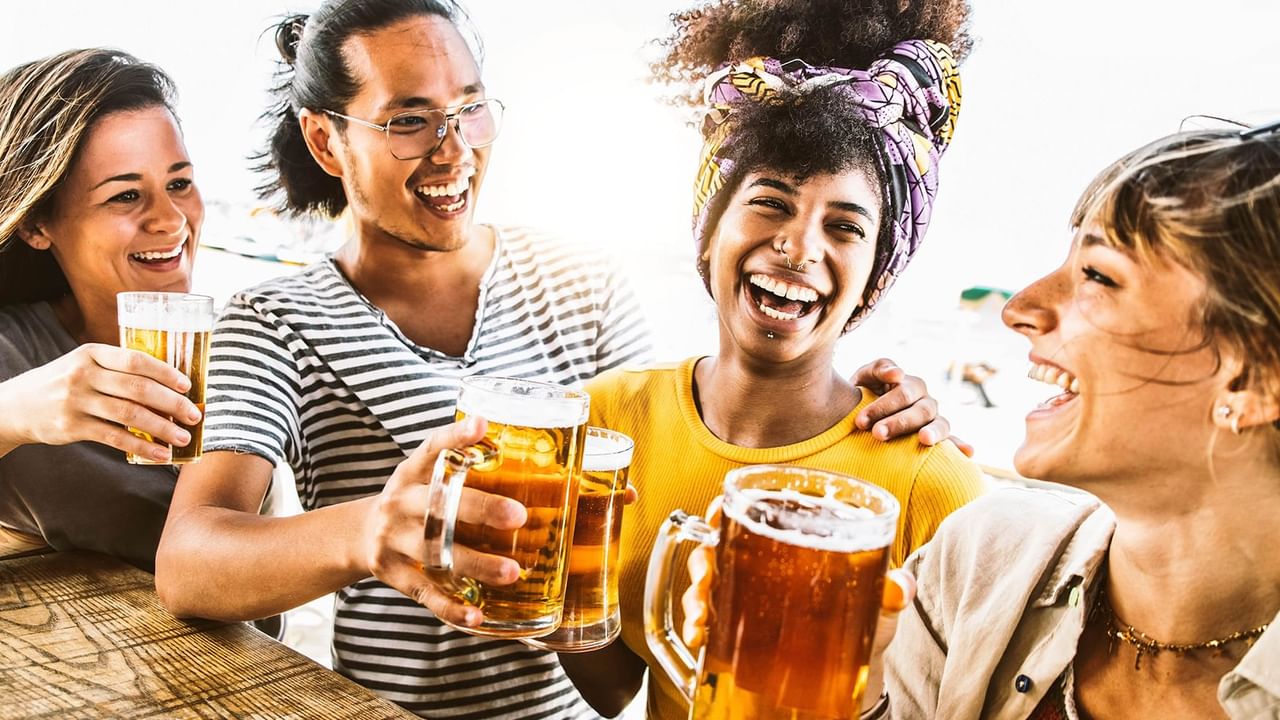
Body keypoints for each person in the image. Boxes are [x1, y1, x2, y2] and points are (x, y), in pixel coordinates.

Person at [152, 1, 953, 717]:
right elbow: (189, 562)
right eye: (409, 120)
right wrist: (368, 535)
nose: (453, 149)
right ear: (325, 138)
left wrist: (856, 410)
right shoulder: (274, 318)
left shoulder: (581, 280)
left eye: (470, 109)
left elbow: (677, 465)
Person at [686, 121, 1280, 718]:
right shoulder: (977, 556)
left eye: (1097, 276)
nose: (1019, 309)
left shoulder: (942, 494)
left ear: (1257, 378)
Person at [557, 1, 983, 716]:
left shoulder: (931, 485)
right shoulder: (606, 417)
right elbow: (611, 691)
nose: (799, 246)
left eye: (844, 225)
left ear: (878, 270)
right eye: (769, 202)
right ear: (710, 228)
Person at [0, 49, 205, 571]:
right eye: (126, 195)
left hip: (250, 655)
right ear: (36, 225)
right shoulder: (13, 352)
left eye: (178, 184)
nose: (170, 220)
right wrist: (14, 416)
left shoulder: (243, 343)